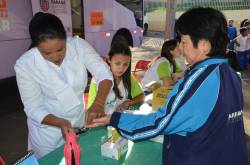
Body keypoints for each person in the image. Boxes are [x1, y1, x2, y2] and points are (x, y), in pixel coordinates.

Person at [86, 7, 248, 165]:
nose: (182, 49)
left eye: (184, 42)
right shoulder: (231, 74)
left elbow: (160, 123)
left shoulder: (200, 79)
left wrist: (115, 119)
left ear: (204, 45)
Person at [14, 12, 113, 158]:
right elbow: (33, 107)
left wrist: (98, 102)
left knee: (77, 158)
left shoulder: (78, 46)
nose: (55, 57)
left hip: (79, 123)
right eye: (47, 53)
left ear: (66, 38)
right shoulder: (25, 65)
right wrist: (60, 122)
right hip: (48, 133)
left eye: (60, 49)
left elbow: (103, 72)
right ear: (36, 47)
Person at [88, 42, 144, 114]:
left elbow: (141, 95)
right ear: (109, 60)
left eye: (125, 64)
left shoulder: (128, 78)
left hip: (121, 119)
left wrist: (129, 102)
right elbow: (91, 110)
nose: (121, 68)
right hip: (103, 121)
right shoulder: (97, 81)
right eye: (117, 64)